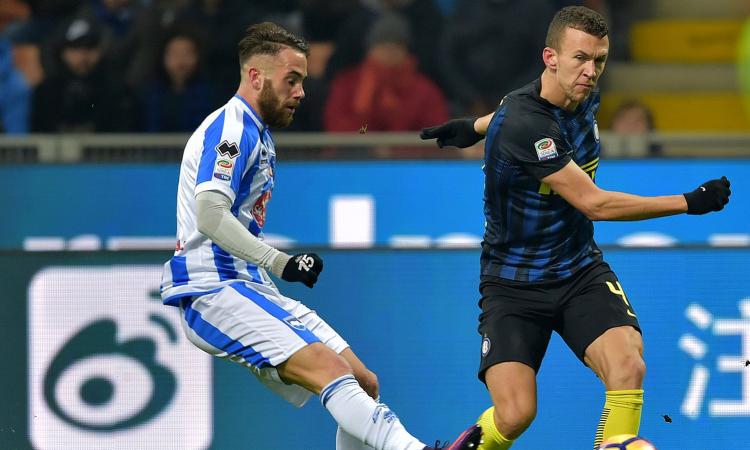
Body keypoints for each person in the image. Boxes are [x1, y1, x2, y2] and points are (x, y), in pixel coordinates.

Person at [420, 6, 731, 450]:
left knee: (628, 366)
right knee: (515, 414)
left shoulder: (577, 96)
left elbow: (508, 110)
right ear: (550, 57)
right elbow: (594, 204)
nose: (591, 71)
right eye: (580, 58)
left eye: (599, 60)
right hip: (513, 284)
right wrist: (687, 202)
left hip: (578, 270)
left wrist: (474, 126)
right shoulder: (525, 123)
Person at [159, 22, 482, 450]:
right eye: (291, 80)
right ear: (255, 76)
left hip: (247, 284)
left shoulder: (257, 132)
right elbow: (210, 214)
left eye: (303, 81)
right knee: (328, 369)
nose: (301, 92)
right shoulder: (231, 130)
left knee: (363, 383)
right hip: (213, 289)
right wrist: (280, 262)